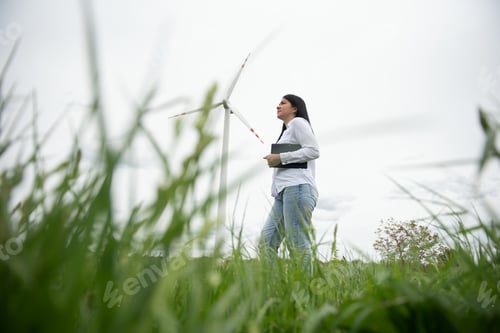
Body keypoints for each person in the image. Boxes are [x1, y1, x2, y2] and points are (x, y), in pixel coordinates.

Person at [260, 94, 320, 274]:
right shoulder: (287, 131)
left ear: (295, 108)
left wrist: (281, 157)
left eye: (283, 103)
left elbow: (313, 150)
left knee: (297, 243)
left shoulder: (298, 123)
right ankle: (276, 291)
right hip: (283, 193)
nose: (278, 106)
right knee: (266, 242)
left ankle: (305, 293)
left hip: (298, 188)